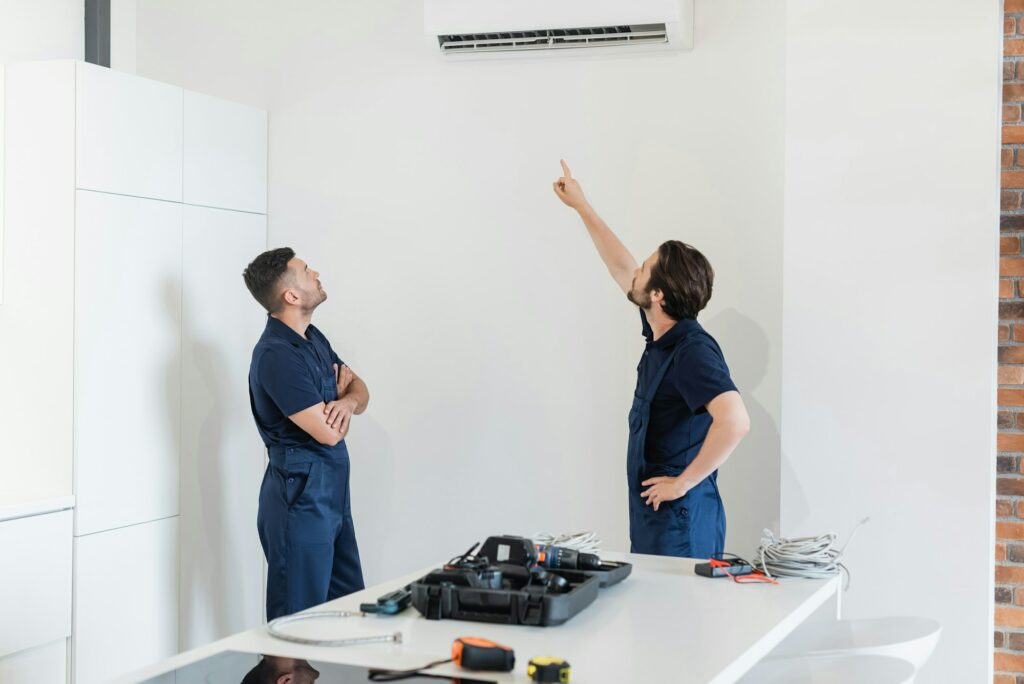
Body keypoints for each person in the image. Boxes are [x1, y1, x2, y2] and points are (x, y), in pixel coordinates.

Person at [552, 160, 750, 559]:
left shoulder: (692, 350)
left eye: (645, 270)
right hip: (656, 518)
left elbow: (736, 421)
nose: (635, 273)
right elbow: (620, 266)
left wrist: (682, 483)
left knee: (680, 620)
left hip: (682, 521)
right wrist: (583, 207)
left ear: (658, 294)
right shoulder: (661, 333)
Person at [243, 247, 368, 619]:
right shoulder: (276, 355)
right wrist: (345, 400)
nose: (315, 272)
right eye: (305, 270)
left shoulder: (313, 338)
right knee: (300, 622)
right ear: (291, 296)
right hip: (299, 499)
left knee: (346, 613)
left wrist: (345, 403)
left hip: (332, 496)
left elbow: (361, 390)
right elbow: (329, 434)